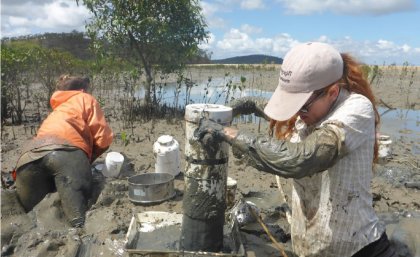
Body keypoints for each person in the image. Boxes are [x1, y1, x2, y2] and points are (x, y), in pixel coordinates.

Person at [196, 42, 395, 257]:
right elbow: (279, 114)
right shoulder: (311, 111)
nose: (297, 114)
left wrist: (229, 134)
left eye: (302, 106)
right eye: (293, 105)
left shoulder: (355, 109)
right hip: (311, 249)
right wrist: (245, 105)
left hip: (357, 249)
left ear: (332, 91)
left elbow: (301, 159)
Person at [14, 74, 113, 228]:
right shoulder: (85, 98)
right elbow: (104, 138)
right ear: (82, 90)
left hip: (27, 159)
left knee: (33, 218)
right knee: (78, 222)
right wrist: (87, 161)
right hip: (65, 153)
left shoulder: (57, 110)